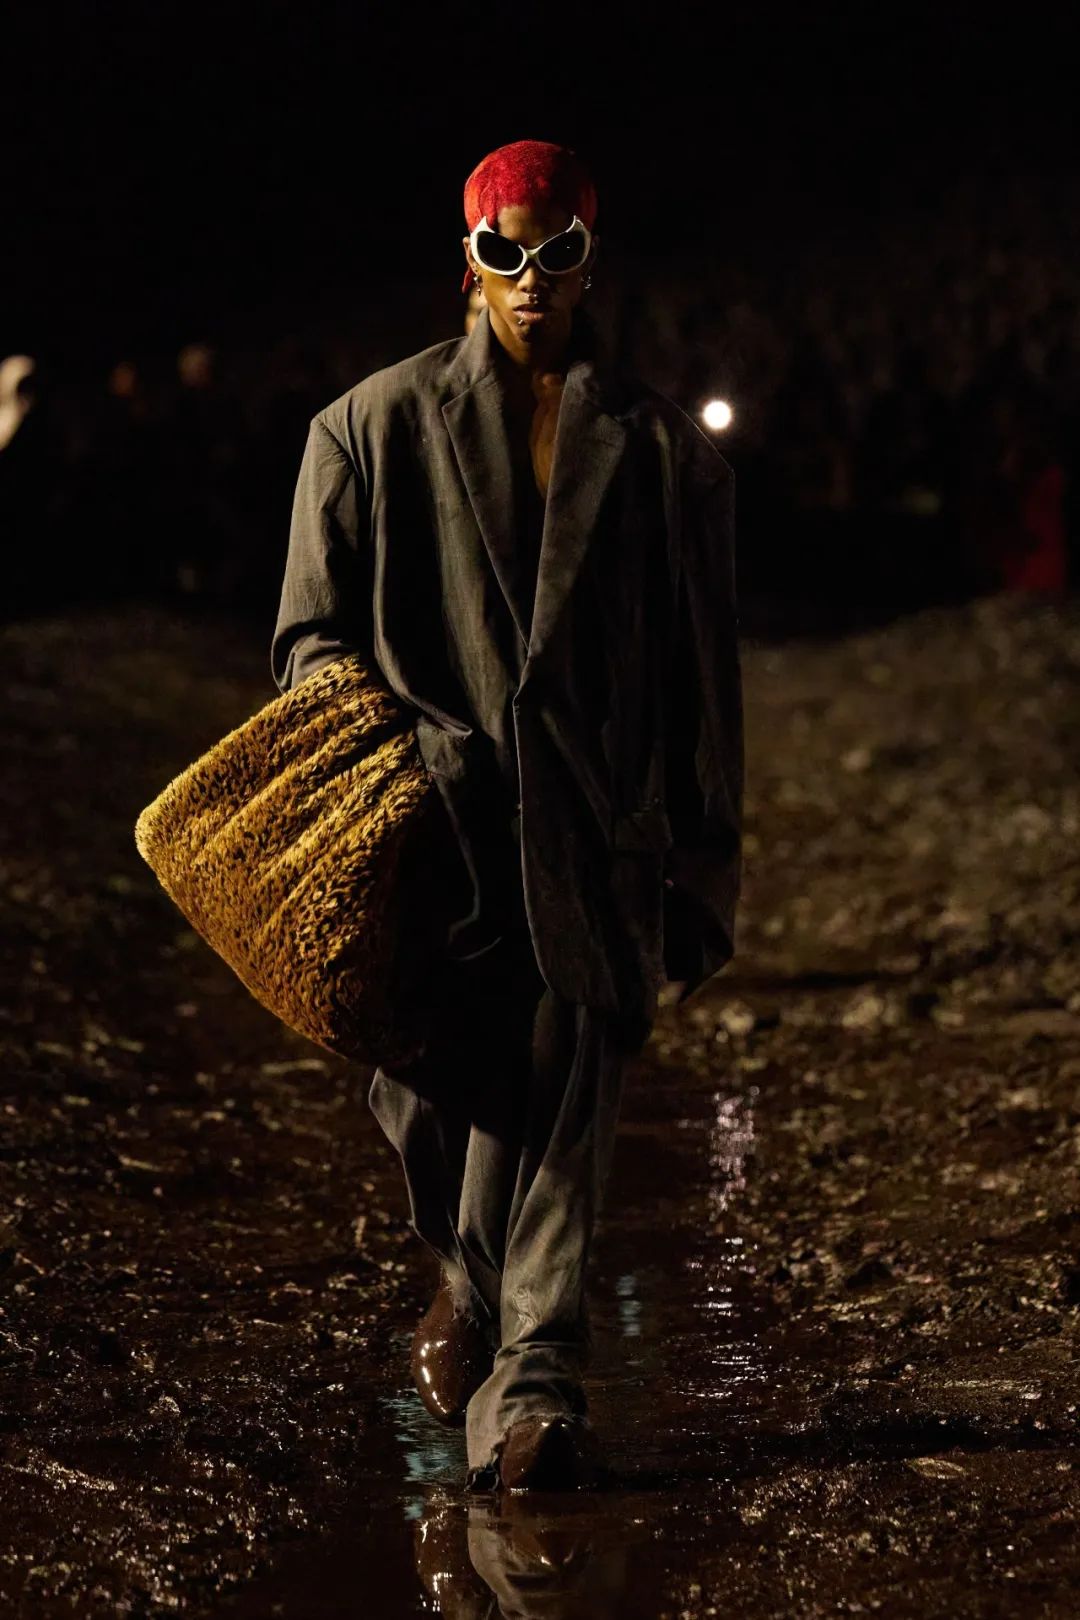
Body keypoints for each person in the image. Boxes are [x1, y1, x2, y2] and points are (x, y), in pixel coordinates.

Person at [270, 139, 743, 1492]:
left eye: (558, 251)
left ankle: (536, 1384)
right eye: (505, 251)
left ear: (591, 262)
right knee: (443, 1095)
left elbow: (704, 675)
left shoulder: (661, 452)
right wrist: (401, 756)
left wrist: (703, 861)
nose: (532, 276)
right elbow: (308, 639)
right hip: (437, 839)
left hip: (601, 834)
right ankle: (467, 1281)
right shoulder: (366, 429)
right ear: (468, 263)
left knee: (565, 1100)